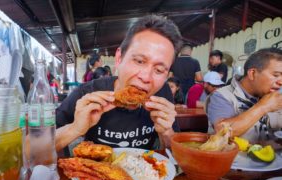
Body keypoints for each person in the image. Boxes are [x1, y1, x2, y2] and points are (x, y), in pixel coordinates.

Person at [56, 15, 182, 152]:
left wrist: (167, 133)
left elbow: (176, 158)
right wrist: (74, 129)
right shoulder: (88, 93)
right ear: (119, 58)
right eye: (139, 61)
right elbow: (31, 149)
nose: (146, 77)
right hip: (95, 171)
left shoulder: (162, 94)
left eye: (159, 70)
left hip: (144, 170)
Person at [207, 48, 282, 142]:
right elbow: (222, 132)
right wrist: (263, 107)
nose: (280, 82)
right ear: (252, 73)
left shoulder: (276, 97)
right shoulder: (222, 96)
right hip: (235, 156)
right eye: (276, 75)